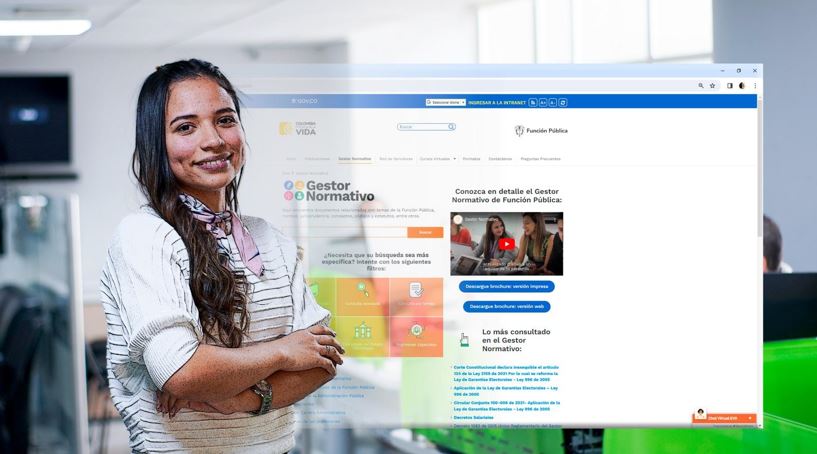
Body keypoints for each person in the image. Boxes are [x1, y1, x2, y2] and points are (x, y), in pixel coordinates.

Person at [100, 59, 344, 453]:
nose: (213, 139)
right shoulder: (145, 236)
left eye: (225, 119)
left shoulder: (270, 238)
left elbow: (322, 361)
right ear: (155, 143)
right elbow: (181, 372)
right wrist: (283, 351)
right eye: (185, 127)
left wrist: (240, 398)